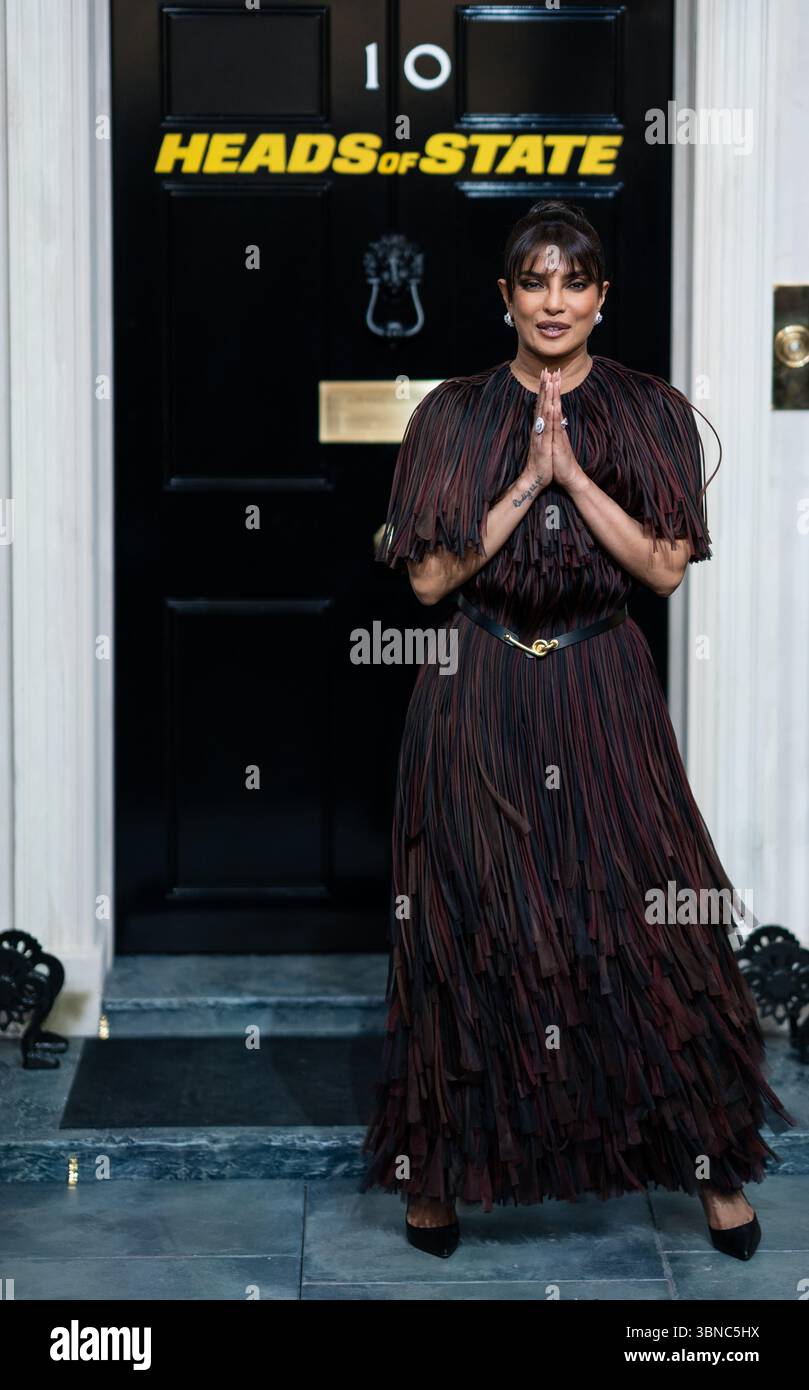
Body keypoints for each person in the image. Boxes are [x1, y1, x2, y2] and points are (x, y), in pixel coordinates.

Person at [358, 199, 796, 1261]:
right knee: (467, 928)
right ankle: (441, 1173)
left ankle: (710, 1167)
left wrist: (574, 477)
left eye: (572, 281)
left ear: (601, 295)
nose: (552, 301)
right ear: (504, 296)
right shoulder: (451, 416)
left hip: (601, 682)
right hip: (476, 690)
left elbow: (657, 567)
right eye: (533, 281)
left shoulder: (647, 412)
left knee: (646, 927)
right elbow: (425, 580)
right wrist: (522, 482)